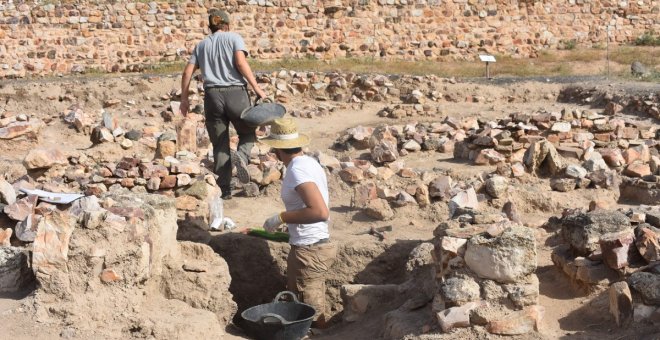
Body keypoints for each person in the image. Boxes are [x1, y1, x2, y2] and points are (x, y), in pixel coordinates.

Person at [179, 9, 267, 199]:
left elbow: (187, 73)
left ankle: (224, 189)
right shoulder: (234, 38)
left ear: (209, 27)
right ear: (226, 25)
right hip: (236, 93)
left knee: (220, 143)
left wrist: (184, 99)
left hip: (212, 96)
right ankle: (242, 157)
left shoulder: (201, 45)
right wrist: (257, 88)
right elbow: (241, 63)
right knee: (248, 131)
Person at [260, 118, 337, 328]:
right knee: (303, 300)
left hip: (310, 250)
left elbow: (319, 211)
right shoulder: (308, 162)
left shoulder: (298, 170)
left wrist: (282, 218)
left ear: (277, 148)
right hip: (310, 246)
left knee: (309, 310)